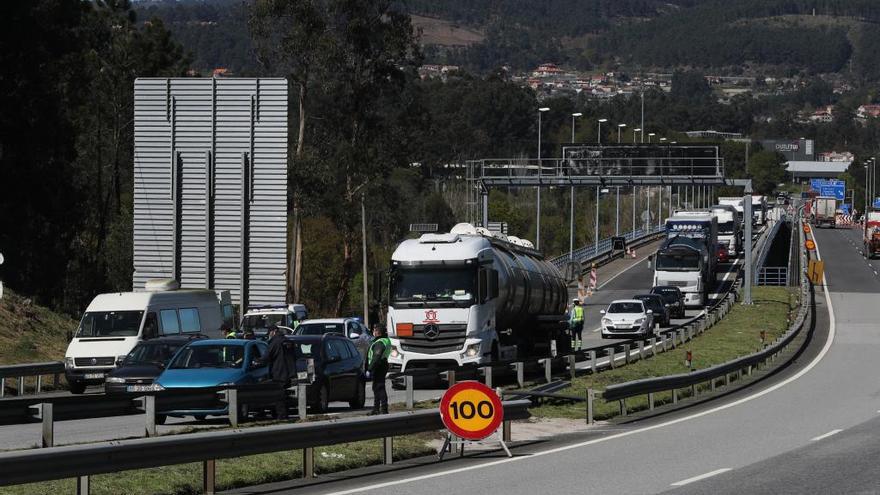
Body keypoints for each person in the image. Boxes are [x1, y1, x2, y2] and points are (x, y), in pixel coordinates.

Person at [265, 325, 297, 419]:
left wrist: (257, 361)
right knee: (285, 395)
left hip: (279, 373)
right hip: (289, 373)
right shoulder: (287, 341)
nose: (269, 335)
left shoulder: (275, 342)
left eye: (270, 333)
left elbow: (267, 356)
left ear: (274, 331)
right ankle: (285, 413)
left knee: (279, 395)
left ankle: (281, 415)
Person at [366, 323, 391, 415]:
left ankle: (383, 409)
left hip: (379, 366)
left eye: (374, 330)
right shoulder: (385, 340)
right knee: (376, 387)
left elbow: (376, 356)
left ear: (378, 332)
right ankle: (377, 408)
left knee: (379, 387)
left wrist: (369, 368)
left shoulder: (380, 342)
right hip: (382, 364)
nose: (373, 332)